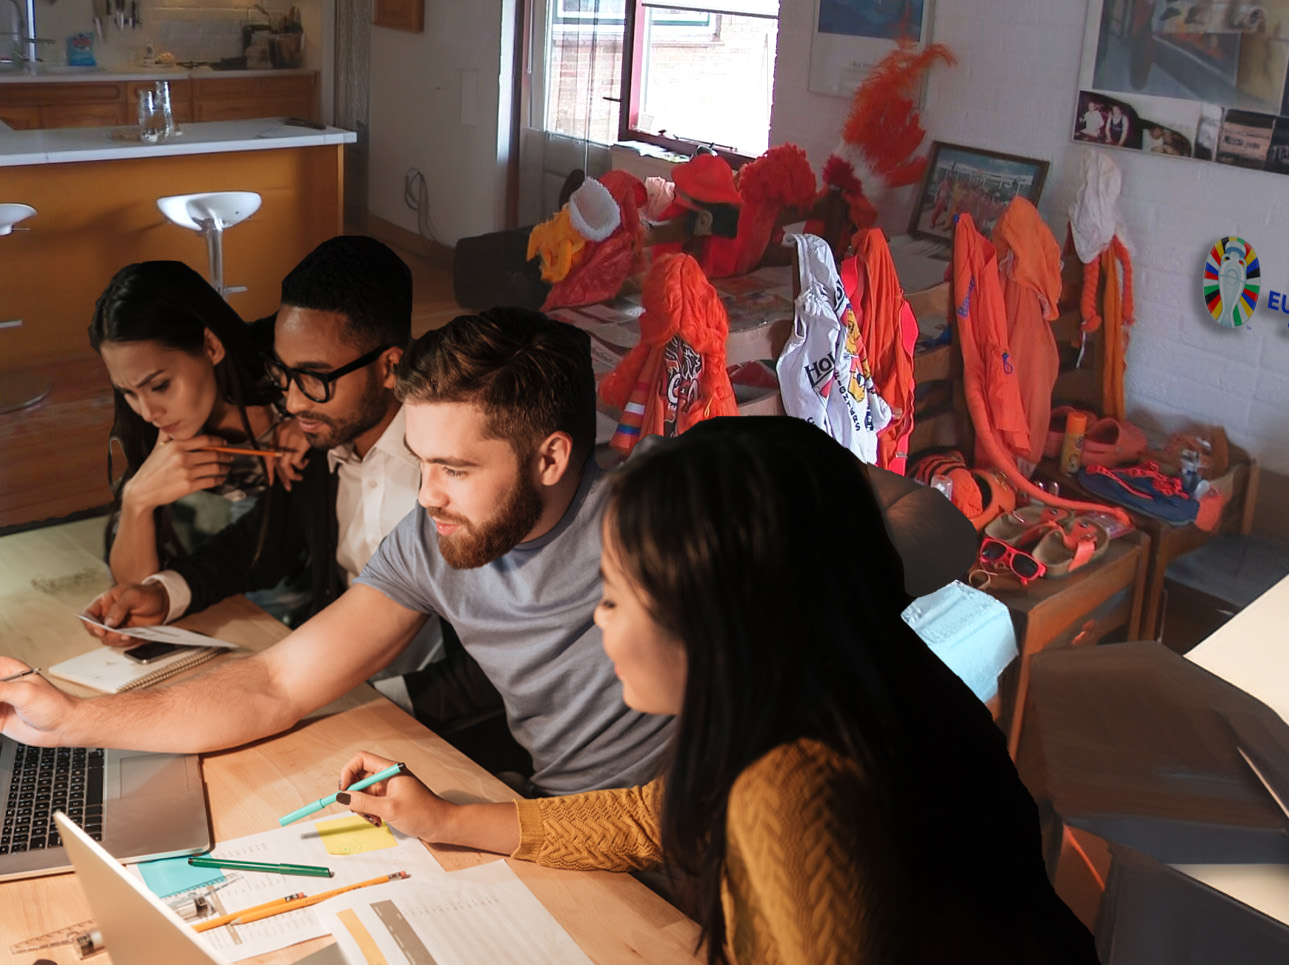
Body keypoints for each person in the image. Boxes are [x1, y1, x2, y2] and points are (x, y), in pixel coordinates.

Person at [0, 309, 975, 798]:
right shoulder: (438, 537)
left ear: (553, 455)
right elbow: (275, 684)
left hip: (702, 839)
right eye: (419, 461)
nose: (425, 497)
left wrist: (791, 574)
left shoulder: (663, 505)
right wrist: (75, 718)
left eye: (457, 468)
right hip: (554, 822)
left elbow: (939, 526)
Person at [329, 416, 1102, 965]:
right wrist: (447, 820)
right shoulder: (852, 675)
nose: (598, 620)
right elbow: (658, 814)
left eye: (614, 595)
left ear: (714, 619)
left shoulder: (794, 789)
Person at [82, 237, 475, 716]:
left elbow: (495, 661)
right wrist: (163, 594)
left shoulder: (451, 467)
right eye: (284, 374)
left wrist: (367, 705)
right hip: (338, 684)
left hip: (423, 717)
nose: (290, 403)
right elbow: (266, 544)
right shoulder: (323, 439)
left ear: (390, 366)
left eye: (314, 377)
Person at [89, 261, 304, 587]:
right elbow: (133, 591)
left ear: (211, 346)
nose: (147, 412)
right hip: (214, 615)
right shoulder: (157, 439)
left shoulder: (298, 389)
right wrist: (137, 502)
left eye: (160, 385)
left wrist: (314, 420)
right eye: (129, 393)